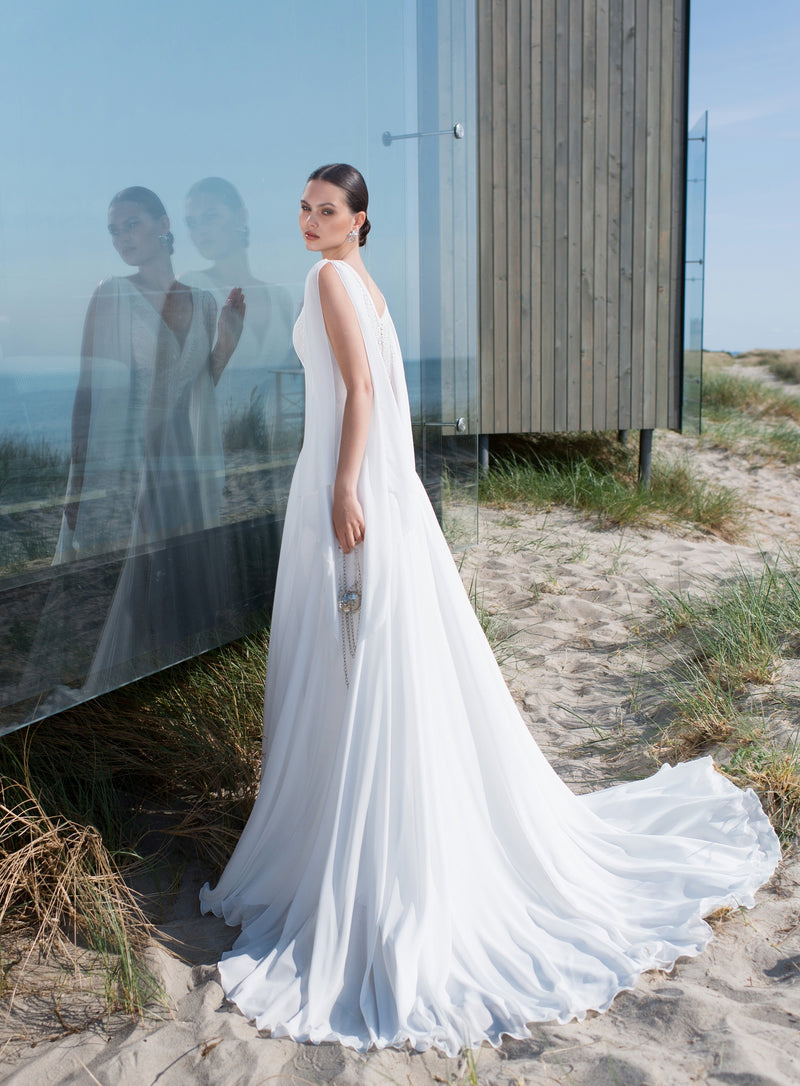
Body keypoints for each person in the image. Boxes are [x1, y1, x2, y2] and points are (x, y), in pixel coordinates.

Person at [199, 164, 780, 1055]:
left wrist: (343, 486)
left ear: (360, 220)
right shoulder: (364, 286)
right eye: (306, 210)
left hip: (348, 486)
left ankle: (365, 863)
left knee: (357, 663)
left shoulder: (329, 279)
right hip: (379, 489)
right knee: (376, 665)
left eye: (328, 211)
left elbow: (360, 395)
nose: (312, 224)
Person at [65, 186, 245, 691]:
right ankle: (133, 685)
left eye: (133, 224)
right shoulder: (112, 293)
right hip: (140, 458)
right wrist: (78, 481)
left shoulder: (204, 301)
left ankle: (182, 686)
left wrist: (227, 341)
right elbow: (89, 390)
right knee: (144, 575)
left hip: (185, 456)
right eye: (115, 230)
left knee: (185, 574)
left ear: (165, 224)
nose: (123, 238)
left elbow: (200, 387)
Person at [182, 178, 302, 484]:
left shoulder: (281, 298)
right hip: (214, 443)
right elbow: (184, 384)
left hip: (274, 446)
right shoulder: (191, 286)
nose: (201, 231)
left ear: (241, 216)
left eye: (211, 217)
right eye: (192, 223)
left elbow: (288, 378)